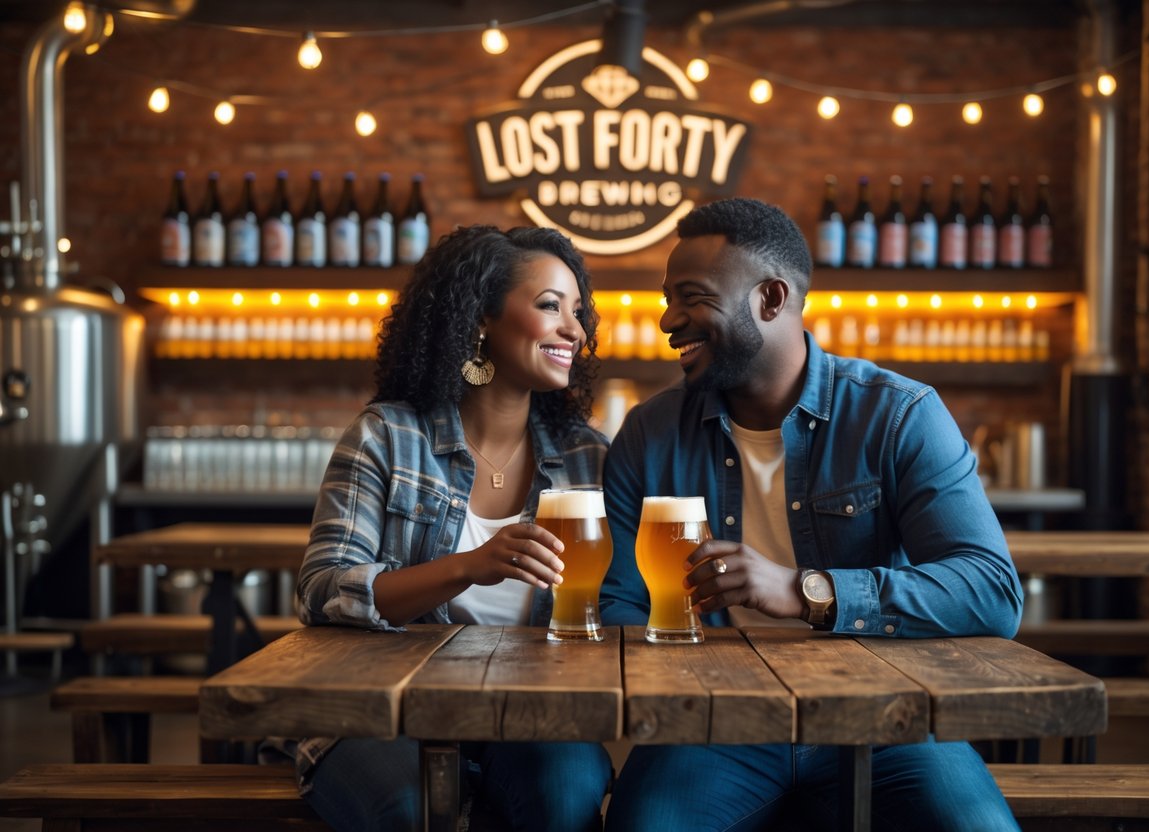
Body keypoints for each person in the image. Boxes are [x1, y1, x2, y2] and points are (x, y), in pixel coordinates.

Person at [599, 197, 1023, 831]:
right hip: (717, 726)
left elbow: (992, 590)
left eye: (690, 297)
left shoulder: (899, 414)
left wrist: (806, 591)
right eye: (668, 298)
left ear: (771, 299)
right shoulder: (649, 433)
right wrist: (688, 671)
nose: (667, 319)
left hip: (885, 719)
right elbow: (619, 604)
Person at [294, 224, 613, 832]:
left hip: (527, 713)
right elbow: (321, 589)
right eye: (550, 306)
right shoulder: (388, 436)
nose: (575, 329)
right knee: (409, 810)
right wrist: (467, 567)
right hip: (383, 709)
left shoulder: (586, 458)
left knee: (567, 793)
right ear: (481, 320)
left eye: (578, 311)